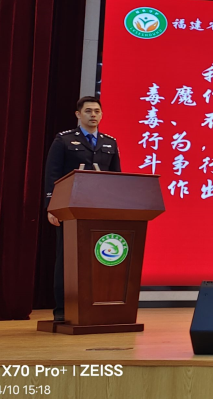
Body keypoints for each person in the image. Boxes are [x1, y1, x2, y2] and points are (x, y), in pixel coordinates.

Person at [43, 97, 121, 321]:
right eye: (88, 111)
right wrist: (52, 206)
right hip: (70, 208)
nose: (93, 115)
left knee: (99, 258)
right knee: (67, 259)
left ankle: (95, 308)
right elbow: (52, 174)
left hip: (99, 209)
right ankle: (63, 310)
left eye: (97, 111)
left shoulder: (110, 142)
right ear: (78, 115)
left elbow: (117, 178)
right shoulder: (64, 140)